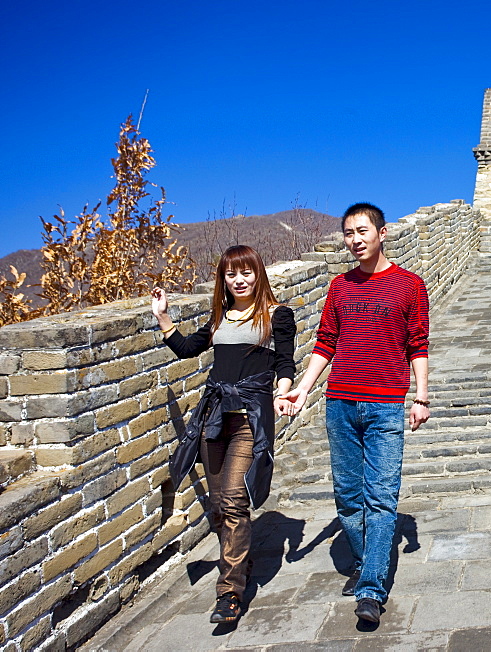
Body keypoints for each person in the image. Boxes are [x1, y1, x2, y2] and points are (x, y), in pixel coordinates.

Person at [285, 202, 429, 625]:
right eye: (348, 233)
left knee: (381, 498)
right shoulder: (340, 287)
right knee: (348, 497)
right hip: (340, 404)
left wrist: (421, 397)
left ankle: (370, 589)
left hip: (386, 405)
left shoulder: (410, 285)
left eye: (362, 230)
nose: (355, 239)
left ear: (382, 233)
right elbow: (325, 343)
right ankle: (369, 562)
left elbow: (417, 345)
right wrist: (302, 389)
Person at [151, 245, 296, 625]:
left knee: (233, 499)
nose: (240, 279)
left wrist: (283, 390)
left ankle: (229, 592)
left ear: (258, 273)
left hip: (250, 419)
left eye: (246, 271)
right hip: (215, 420)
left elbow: (284, 360)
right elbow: (185, 350)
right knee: (219, 506)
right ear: (224, 279)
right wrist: (163, 317)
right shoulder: (219, 318)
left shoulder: (276, 315)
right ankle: (240, 559)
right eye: (232, 274)